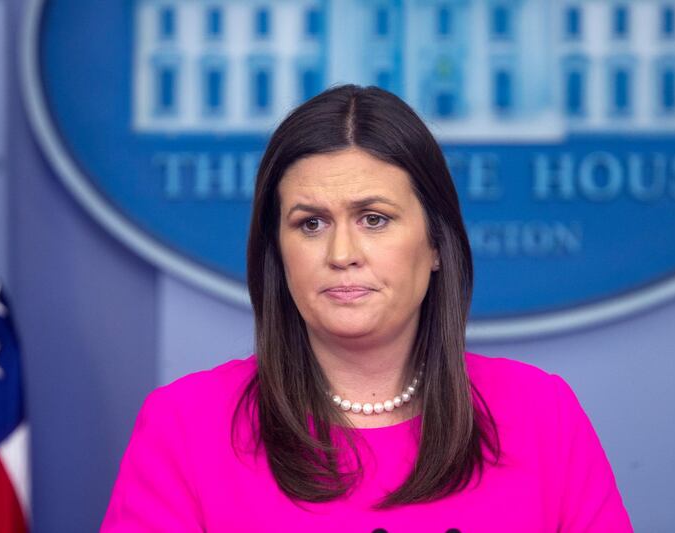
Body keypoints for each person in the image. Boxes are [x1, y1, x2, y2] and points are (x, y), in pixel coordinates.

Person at [101, 85, 633, 532]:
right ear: (278, 255)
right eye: (311, 224)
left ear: (436, 246)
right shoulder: (187, 427)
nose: (342, 255)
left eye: (374, 218)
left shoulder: (542, 415)